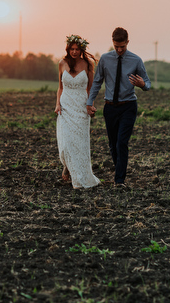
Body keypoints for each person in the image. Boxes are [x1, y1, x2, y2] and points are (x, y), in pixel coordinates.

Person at [86, 27, 151, 189]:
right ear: (112, 43)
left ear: (127, 42)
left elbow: (148, 83)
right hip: (110, 108)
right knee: (113, 144)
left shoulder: (136, 60)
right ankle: (119, 171)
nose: (120, 50)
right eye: (116, 46)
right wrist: (90, 102)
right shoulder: (105, 59)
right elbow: (97, 82)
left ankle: (119, 180)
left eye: (122, 46)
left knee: (122, 142)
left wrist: (142, 84)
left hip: (128, 106)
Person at [55, 34, 101, 189]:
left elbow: (91, 89)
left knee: (79, 143)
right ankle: (67, 165)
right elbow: (60, 88)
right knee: (66, 143)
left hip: (81, 107)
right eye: (72, 49)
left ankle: (79, 174)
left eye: (77, 49)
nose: (74, 52)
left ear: (82, 49)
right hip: (66, 106)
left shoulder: (88, 64)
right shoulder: (62, 63)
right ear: (68, 49)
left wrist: (90, 106)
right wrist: (57, 105)